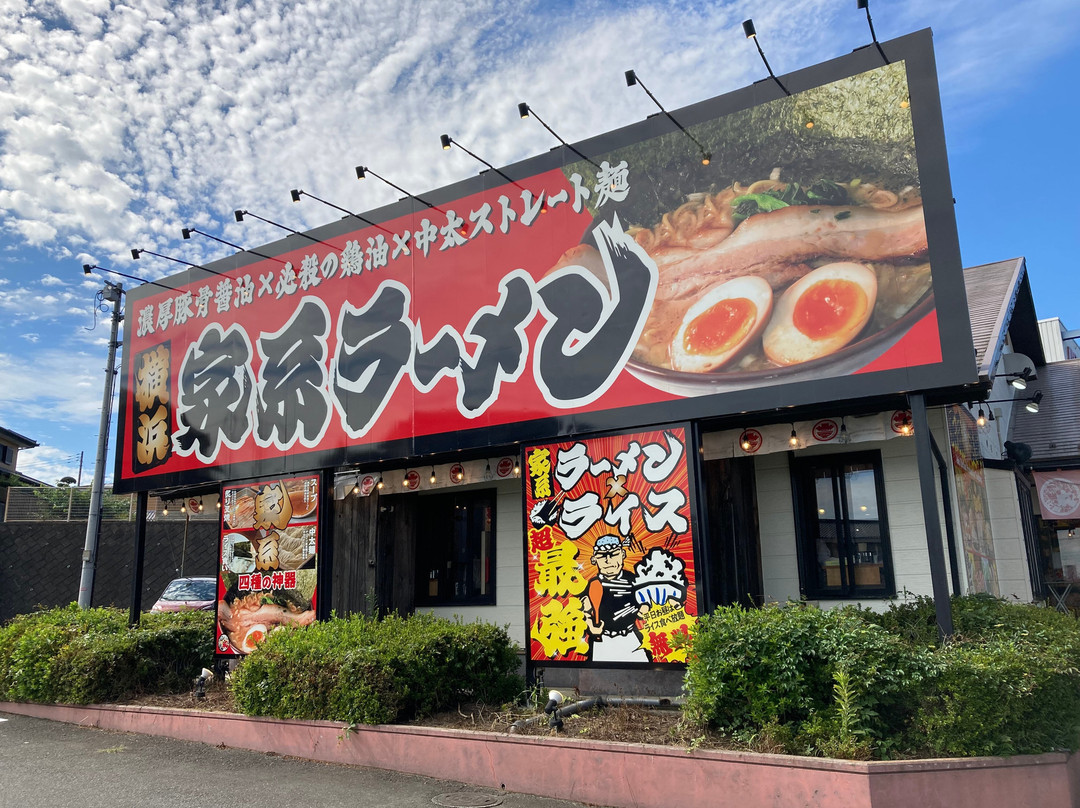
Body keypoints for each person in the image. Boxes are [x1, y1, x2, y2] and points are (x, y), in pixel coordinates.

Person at [582, 534, 648, 662]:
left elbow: (646, 602)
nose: (608, 560)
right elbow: (585, 611)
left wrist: (644, 608)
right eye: (602, 556)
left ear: (622, 554)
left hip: (631, 639)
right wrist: (591, 626)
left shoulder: (634, 580)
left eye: (613, 554)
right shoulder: (593, 584)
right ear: (595, 559)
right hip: (603, 642)